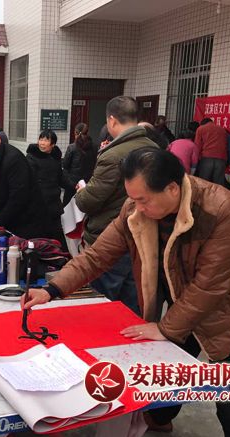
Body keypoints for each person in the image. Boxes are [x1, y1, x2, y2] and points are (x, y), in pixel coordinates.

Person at [24, 148, 230, 437]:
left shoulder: (222, 208)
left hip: (226, 315)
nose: (137, 207)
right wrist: (52, 289)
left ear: (172, 188)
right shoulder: (135, 210)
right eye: (133, 199)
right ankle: (161, 419)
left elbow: (211, 286)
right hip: (180, 308)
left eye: (143, 200)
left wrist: (164, 328)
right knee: (167, 376)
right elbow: (97, 256)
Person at [76, 96, 159, 315]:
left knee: (102, 305)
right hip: (144, 236)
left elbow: (89, 200)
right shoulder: (155, 149)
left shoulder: (113, 155)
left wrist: (81, 193)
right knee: (133, 302)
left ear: (112, 120)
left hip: (110, 237)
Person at [26, 130, 67, 247]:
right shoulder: (31, 157)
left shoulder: (56, 158)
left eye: (46, 140)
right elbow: (29, 181)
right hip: (38, 204)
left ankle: (60, 255)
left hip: (54, 203)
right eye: (41, 139)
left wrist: (74, 185)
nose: (42, 143)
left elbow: (61, 178)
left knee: (56, 234)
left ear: (53, 144)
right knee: (39, 236)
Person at [62, 122, 98, 206]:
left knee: (68, 206)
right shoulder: (94, 146)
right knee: (84, 206)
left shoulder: (72, 147)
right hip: (88, 182)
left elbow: (65, 165)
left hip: (72, 183)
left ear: (75, 133)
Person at [195, 118, 228, 186]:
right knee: (218, 185)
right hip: (221, 159)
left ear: (202, 124)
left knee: (204, 183)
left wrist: (198, 158)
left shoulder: (200, 129)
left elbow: (197, 145)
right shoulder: (222, 130)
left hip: (206, 158)